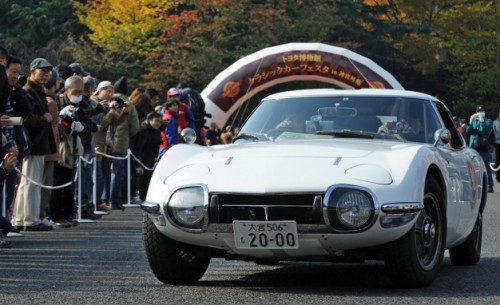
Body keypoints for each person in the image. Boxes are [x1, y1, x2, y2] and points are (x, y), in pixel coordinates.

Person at [13, 58, 56, 231]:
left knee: (28, 182)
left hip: (35, 141)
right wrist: (43, 119)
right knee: (32, 182)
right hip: (33, 141)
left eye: (48, 71)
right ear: (32, 71)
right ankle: (30, 220)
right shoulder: (29, 90)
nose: (46, 74)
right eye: (42, 71)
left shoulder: (34, 90)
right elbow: (26, 118)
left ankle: (23, 218)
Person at [130, 111, 162, 201]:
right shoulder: (143, 130)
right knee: (140, 178)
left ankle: (145, 197)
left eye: (160, 121)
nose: (158, 124)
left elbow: (157, 145)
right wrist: (138, 165)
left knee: (148, 179)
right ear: (149, 120)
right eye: (156, 121)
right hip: (141, 158)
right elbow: (138, 148)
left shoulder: (156, 130)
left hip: (151, 158)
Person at [466, 105, 494, 192]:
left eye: (482, 111)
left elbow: (484, 131)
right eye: (478, 111)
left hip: (483, 147)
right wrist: (470, 122)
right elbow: (468, 131)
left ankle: (490, 185)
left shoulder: (488, 121)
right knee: (473, 167)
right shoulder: (474, 121)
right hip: (473, 147)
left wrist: (482, 121)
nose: (480, 112)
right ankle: (475, 186)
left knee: (486, 166)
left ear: (485, 112)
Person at [492, 110, 500, 183]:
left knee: (497, 160)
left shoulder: (495, 122)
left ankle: (498, 176)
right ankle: (498, 176)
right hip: (497, 143)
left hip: (497, 142)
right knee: (497, 160)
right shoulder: (495, 122)